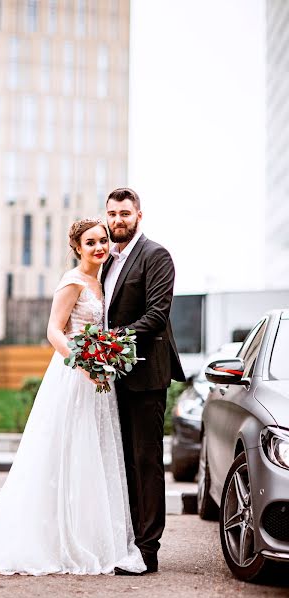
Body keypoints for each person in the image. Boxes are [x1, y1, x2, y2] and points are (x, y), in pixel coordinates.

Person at [0, 218, 146, 576]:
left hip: (98, 380)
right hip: (74, 377)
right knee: (67, 451)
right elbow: (53, 330)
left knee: (93, 454)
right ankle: (54, 541)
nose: (99, 247)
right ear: (77, 247)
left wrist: (103, 361)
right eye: (90, 242)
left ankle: (91, 537)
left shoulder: (102, 281)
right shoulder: (73, 281)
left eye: (103, 240)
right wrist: (82, 361)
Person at [102, 188, 186, 575]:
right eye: (112, 214)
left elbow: (157, 313)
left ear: (138, 215)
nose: (118, 220)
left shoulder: (155, 255)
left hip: (146, 375)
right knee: (123, 463)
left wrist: (110, 343)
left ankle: (147, 551)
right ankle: (129, 541)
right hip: (113, 375)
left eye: (124, 213)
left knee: (146, 461)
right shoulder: (107, 260)